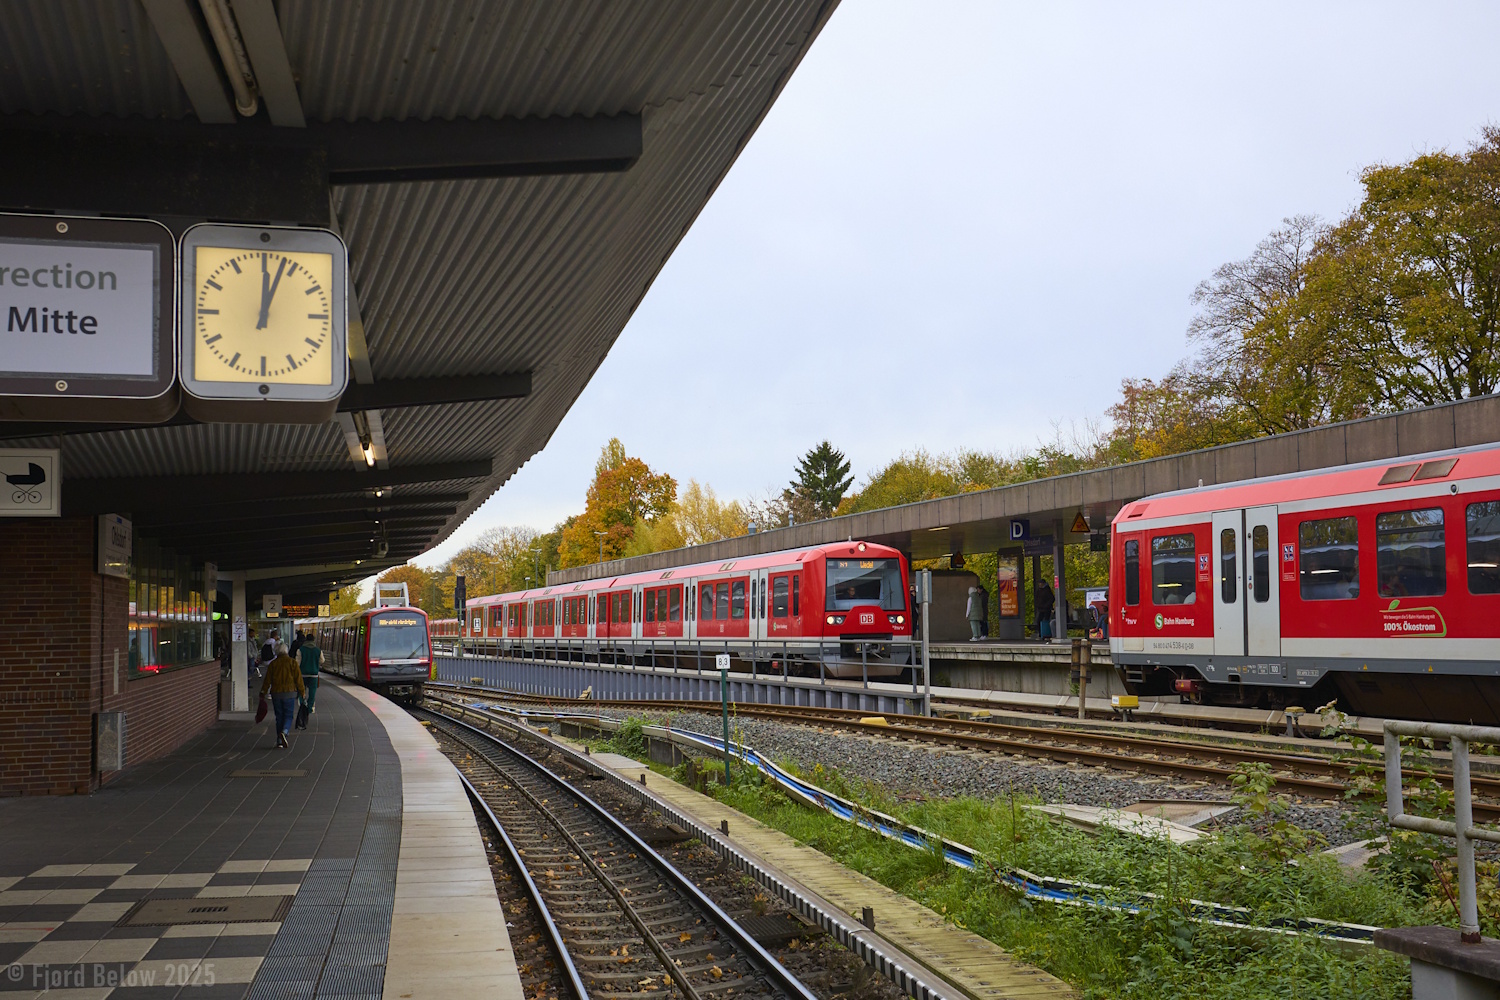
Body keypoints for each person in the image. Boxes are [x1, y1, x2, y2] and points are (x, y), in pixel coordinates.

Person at [261, 642, 306, 749]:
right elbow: (298, 679)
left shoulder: (273, 664)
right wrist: (302, 692)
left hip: (276, 693)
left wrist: (263, 691)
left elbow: (267, 680)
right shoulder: (292, 662)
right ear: (286, 651)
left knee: (279, 717)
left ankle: (279, 741)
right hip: (290, 693)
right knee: (289, 715)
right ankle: (284, 732)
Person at [296, 631, 323, 728]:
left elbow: (297, 662)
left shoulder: (301, 650)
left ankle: (303, 704)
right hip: (314, 675)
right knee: (312, 692)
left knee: (301, 691)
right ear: (314, 640)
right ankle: (310, 708)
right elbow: (322, 661)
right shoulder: (318, 650)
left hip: (302, 675)